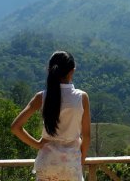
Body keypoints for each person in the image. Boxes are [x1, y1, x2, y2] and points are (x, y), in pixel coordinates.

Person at [11, 51, 91, 181]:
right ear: (72, 71)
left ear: (49, 70)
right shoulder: (81, 97)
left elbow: (16, 127)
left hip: (47, 161)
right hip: (71, 163)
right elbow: (86, 136)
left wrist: (37, 144)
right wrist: (81, 159)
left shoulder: (42, 97)